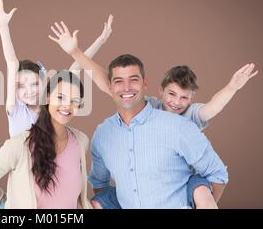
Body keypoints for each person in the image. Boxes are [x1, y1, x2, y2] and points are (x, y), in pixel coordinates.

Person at [49, 22, 229, 208]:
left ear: (145, 84)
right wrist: (75, 52)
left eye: (133, 80)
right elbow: (100, 186)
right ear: (110, 87)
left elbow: (217, 175)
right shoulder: (102, 134)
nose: (126, 88)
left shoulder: (179, 126)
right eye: (118, 81)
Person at [0, 0, 113, 136]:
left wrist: (100, 41)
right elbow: (11, 63)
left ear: (44, 82)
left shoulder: (52, 107)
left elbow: (76, 67)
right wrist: (3, 27)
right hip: (21, 159)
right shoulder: (15, 109)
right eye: (21, 86)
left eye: (34, 83)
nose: (29, 90)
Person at [0, 70, 92, 209]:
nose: (67, 105)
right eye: (60, 97)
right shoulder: (19, 145)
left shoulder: (81, 141)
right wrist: (6, 204)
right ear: (48, 97)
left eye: (74, 101)